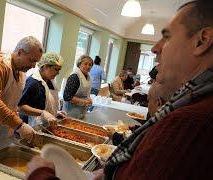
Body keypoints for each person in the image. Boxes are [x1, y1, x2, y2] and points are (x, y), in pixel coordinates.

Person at [26, 0, 213, 179]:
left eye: (167, 37)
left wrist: (40, 174)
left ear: (202, 41)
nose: (155, 48)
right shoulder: (194, 109)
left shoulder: (191, 122)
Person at [18, 52, 65, 127]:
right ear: (45, 66)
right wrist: (43, 113)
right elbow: (20, 107)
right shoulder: (32, 82)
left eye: (59, 70)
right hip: (31, 125)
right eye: (56, 69)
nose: (58, 73)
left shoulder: (50, 81)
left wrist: (54, 112)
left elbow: (44, 103)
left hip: (45, 123)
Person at [63, 55, 93, 120]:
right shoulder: (75, 77)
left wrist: (88, 99)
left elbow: (86, 93)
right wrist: (83, 101)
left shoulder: (88, 77)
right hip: (71, 111)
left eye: (90, 65)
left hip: (81, 110)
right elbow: (67, 96)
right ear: (79, 64)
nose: (88, 66)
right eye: (85, 64)